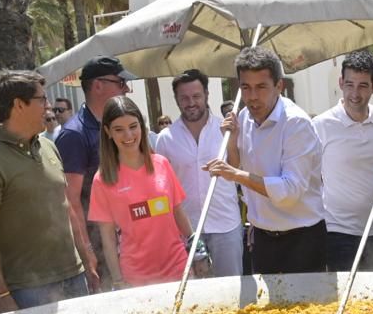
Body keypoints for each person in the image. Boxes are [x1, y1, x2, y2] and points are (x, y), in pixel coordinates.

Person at [0, 70, 97, 312]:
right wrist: (1, 295)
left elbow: (65, 207)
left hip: (74, 276)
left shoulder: (48, 146)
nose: (48, 108)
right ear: (19, 105)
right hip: (28, 290)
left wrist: (87, 259)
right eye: (42, 100)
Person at [205, 48, 327, 274]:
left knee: (309, 309)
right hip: (262, 238)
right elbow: (240, 166)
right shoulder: (243, 117)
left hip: (302, 238)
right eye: (246, 87)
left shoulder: (296, 123)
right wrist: (230, 142)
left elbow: (289, 192)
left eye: (261, 87)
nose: (252, 96)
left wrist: (234, 173)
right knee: (265, 310)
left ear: (279, 86)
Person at [88, 97, 192, 288]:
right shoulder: (102, 180)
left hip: (178, 267)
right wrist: (118, 280)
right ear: (108, 132)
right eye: (119, 129)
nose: (128, 135)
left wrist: (195, 246)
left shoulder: (161, 163)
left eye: (133, 126)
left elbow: (177, 211)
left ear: (142, 127)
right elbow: (108, 238)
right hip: (137, 278)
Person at [56, 56, 135, 291]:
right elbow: (71, 199)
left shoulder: (113, 125)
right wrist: (88, 251)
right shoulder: (74, 134)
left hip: (124, 238)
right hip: (100, 245)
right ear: (98, 85)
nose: (127, 88)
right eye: (121, 82)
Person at [155, 69, 244, 276]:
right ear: (177, 100)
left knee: (230, 292)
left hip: (225, 225)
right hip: (187, 230)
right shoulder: (166, 139)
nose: (191, 102)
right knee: (194, 297)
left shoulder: (226, 130)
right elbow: (163, 189)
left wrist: (231, 141)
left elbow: (238, 169)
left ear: (206, 95)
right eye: (184, 98)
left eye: (196, 96)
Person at [312, 50, 373, 271]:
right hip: (338, 233)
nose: (355, 93)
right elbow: (311, 178)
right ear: (340, 82)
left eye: (363, 86)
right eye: (349, 84)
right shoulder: (321, 124)